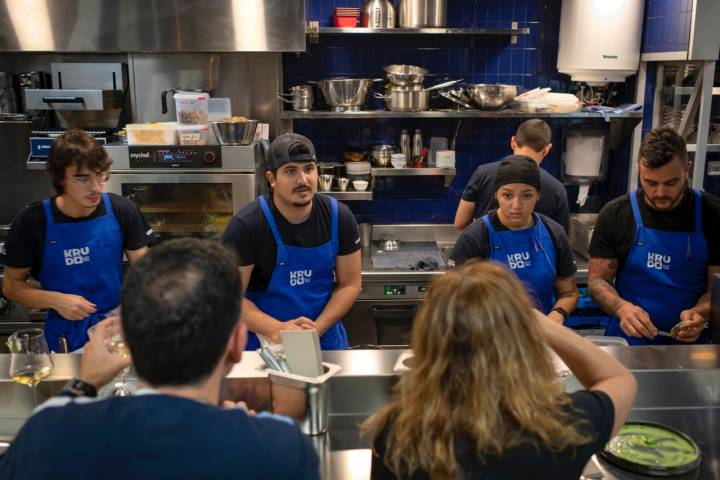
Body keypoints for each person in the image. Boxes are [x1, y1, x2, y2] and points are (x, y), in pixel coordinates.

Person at [0, 239, 320, 480]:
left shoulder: (46, 433)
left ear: (130, 342)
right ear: (237, 343)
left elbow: (50, 425)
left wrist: (85, 384)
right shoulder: (283, 447)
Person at [364, 261, 637, 480]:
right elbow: (618, 378)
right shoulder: (561, 427)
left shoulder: (399, 431)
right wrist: (539, 322)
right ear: (522, 340)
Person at [1, 129, 151, 352]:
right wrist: (55, 300)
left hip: (118, 331)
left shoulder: (122, 210)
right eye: (82, 178)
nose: (96, 188)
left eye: (101, 175)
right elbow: (11, 286)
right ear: (60, 178)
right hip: (65, 340)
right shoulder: (32, 222)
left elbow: (146, 272)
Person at [222, 133, 361, 350]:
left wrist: (315, 331)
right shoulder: (247, 226)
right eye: (290, 171)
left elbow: (350, 284)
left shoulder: (339, 217)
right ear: (271, 179)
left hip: (324, 345)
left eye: (308, 169)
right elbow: (227, 298)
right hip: (264, 348)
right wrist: (275, 329)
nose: (302, 180)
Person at [588, 127, 720, 345]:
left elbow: (716, 289)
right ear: (639, 168)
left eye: (670, 183)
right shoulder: (616, 214)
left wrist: (700, 312)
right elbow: (597, 281)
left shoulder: (713, 214)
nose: (660, 193)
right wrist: (621, 308)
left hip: (691, 345)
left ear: (687, 169)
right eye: (650, 182)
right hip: (628, 342)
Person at [449, 155, 578, 323]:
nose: (516, 205)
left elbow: (569, 292)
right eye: (507, 195)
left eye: (526, 196)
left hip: (542, 333)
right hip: (490, 337)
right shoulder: (476, 237)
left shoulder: (554, 232)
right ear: (496, 194)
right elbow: (453, 300)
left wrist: (557, 315)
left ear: (538, 195)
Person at [454, 119, 569, 232]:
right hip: (534, 250)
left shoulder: (483, 173)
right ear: (547, 149)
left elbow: (460, 223)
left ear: (513, 142)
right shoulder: (557, 189)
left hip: (487, 249)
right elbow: (559, 236)